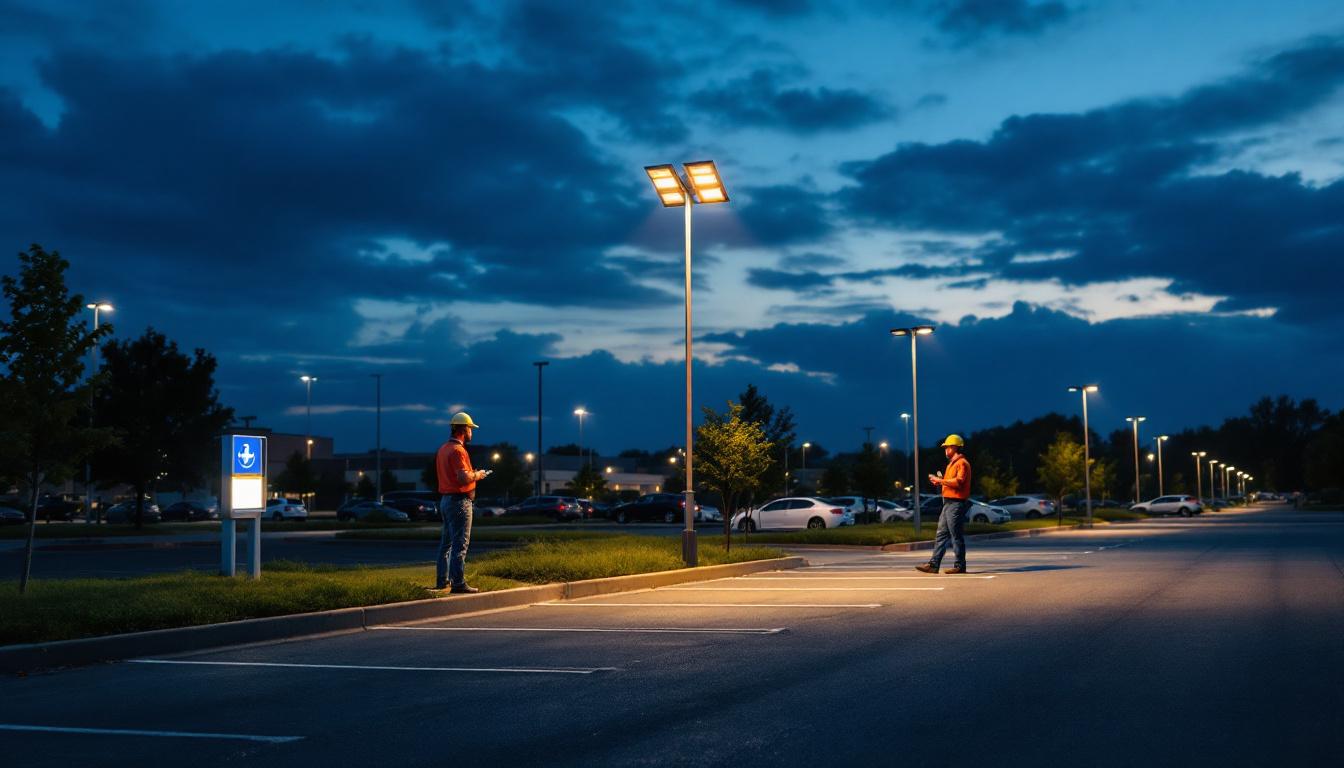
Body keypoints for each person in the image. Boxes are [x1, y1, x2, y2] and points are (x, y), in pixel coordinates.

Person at [434, 412, 488, 593]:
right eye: (471, 429)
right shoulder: (458, 450)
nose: (472, 432)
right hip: (459, 502)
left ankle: (442, 581)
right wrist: (478, 475)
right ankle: (458, 583)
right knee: (460, 544)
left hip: (445, 500)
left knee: (446, 545)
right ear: (464, 429)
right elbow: (463, 478)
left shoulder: (443, 449)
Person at [916, 434, 972, 575]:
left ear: (954, 447)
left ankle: (960, 566)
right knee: (941, 534)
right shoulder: (951, 464)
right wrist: (940, 480)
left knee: (955, 535)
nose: (945, 450)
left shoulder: (962, 463)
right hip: (947, 503)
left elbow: (958, 482)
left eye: (947, 447)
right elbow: (950, 482)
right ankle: (933, 565)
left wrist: (940, 481)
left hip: (956, 503)